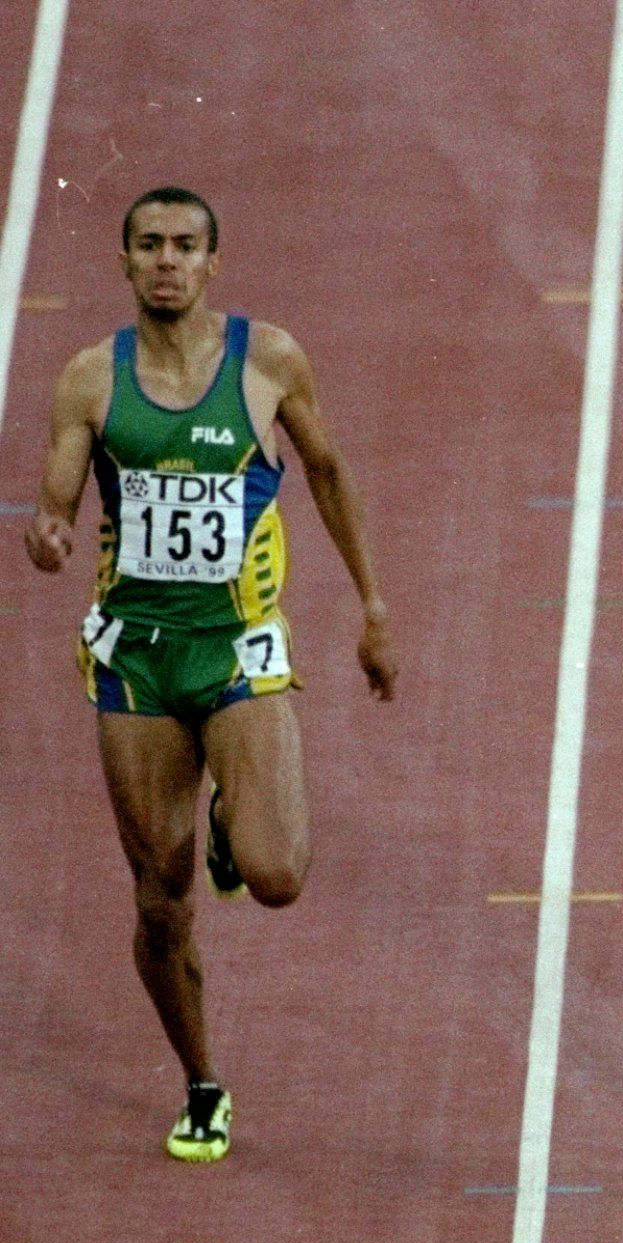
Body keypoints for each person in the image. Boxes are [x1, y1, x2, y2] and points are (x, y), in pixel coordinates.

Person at [23, 187, 397, 1162]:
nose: (166, 262)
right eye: (148, 245)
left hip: (237, 650)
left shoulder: (267, 361)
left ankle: (236, 817)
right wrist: (53, 526)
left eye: (185, 246)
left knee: (275, 876)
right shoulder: (89, 380)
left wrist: (373, 606)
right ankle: (201, 1081)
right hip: (136, 661)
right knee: (161, 898)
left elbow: (326, 471)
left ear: (213, 263)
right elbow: (60, 483)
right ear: (124, 261)